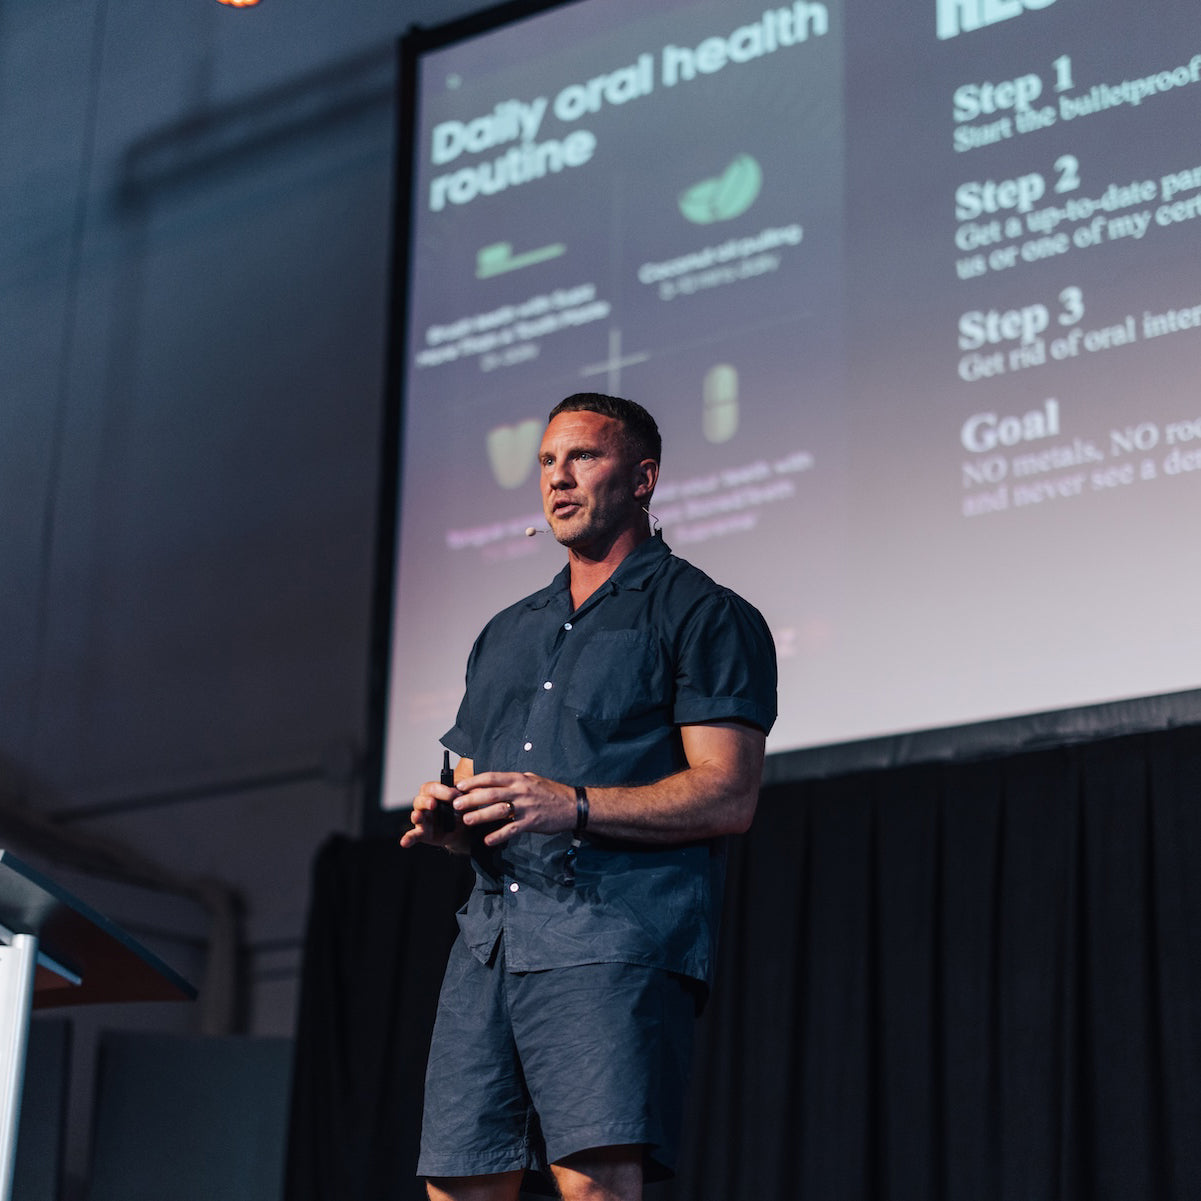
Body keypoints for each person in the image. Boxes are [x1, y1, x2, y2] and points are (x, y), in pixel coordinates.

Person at [401, 393, 777, 1201]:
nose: (557, 477)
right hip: (491, 941)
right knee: (458, 1183)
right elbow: (482, 786)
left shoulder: (703, 614)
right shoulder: (505, 631)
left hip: (610, 933)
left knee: (592, 1183)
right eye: (546, 460)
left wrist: (570, 803)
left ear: (642, 479)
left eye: (582, 457)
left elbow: (727, 794)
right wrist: (454, 823)